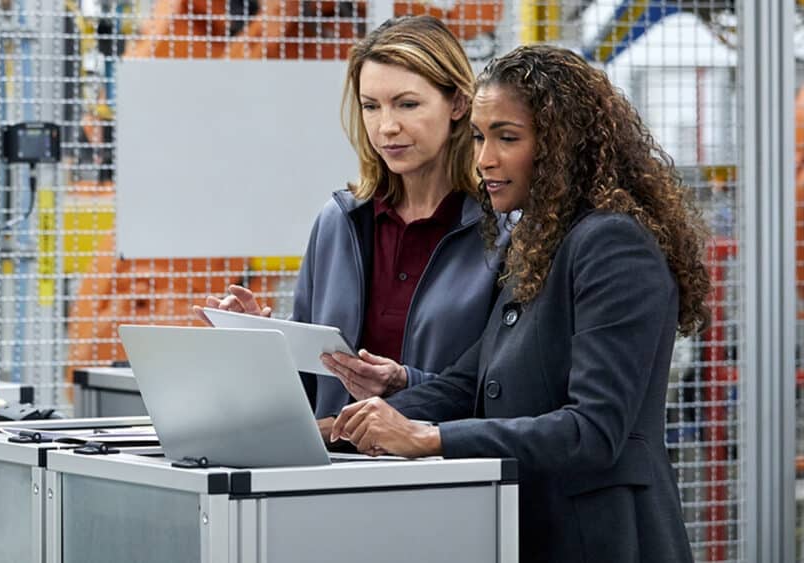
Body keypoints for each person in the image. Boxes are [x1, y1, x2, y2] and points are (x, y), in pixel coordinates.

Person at [328, 45, 709, 563]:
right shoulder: (544, 241)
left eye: (508, 138)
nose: (484, 158)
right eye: (481, 137)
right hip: (534, 529)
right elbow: (470, 383)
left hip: (604, 539)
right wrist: (338, 429)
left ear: (562, 145)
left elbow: (593, 431)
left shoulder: (613, 244)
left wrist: (429, 437)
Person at [194, 16, 502, 427]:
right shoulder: (339, 222)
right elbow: (307, 388)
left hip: (453, 476)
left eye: (407, 104)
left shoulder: (503, 232)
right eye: (371, 106)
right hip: (335, 476)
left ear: (459, 104)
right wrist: (260, 345)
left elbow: (508, 390)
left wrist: (406, 385)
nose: (386, 127)